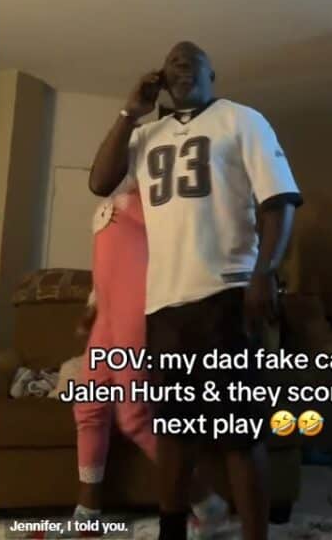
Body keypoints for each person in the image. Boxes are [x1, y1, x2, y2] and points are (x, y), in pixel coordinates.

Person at [89, 41, 302, 540]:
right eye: (173, 64)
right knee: (174, 432)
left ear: (212, 74)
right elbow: (100, 183)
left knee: (239, 434)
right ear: (161, 78)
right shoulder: (146, 134)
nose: (181, 67)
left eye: (192, 62)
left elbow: (279, 202)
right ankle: (173, 531)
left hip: (227, 296)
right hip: (164, 305)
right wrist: (130, 112)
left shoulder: (241, 119)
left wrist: (264, 273)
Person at [70, 179, 227, 538]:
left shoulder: (164, 194)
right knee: (89, 405)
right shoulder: (118, 194)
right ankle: (88, 511)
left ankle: (207, 502)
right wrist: (92, 307)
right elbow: (110, 263)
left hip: (138, 311)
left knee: (135, 416)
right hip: (108, 313)